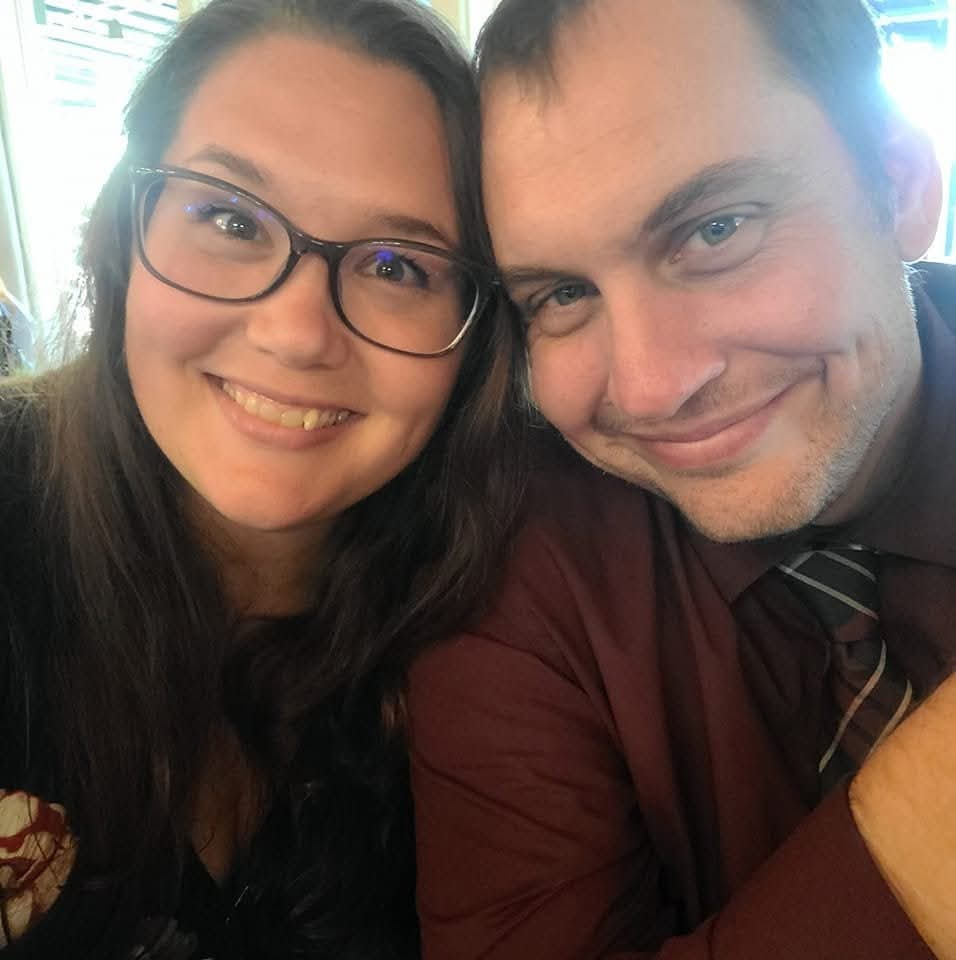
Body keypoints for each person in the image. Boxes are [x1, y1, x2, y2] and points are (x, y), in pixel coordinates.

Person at [408, 0, 956, 957]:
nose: (652, 387)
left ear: (901, 185)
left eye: (716, 230)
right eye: (563, 294)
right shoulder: (509, 564)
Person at [0, 0, 525, 956]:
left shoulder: (503, 622)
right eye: (231, 218)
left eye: (397, 265)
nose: (296, 332)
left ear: (477, 337)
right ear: (121, 233)